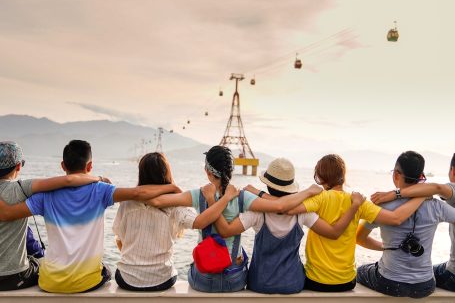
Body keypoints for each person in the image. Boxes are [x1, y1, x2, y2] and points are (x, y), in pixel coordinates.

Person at [0, 140, 180, 293]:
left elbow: (9, 214)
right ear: (90, 166)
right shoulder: (101, 190)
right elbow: (139, 193)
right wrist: (172, 188)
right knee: (107, 270)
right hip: (88, 282)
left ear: (63, 166)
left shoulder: (45, 195)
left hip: (50, 282)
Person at [147, 146, 324, 292]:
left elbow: (156, 201)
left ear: (208, 172)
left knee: (193, 266)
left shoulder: (198, 194)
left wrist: (173, 187)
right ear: (231, 171)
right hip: (234, 279)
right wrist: (307, 192)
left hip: (204, 279)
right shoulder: (243, 197)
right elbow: (280, 206)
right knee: (242, 258)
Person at [205, 157, 366, 294]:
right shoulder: (303, 212)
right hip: (293, 283)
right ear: (290, 187)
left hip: (260, 283)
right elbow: (333, 232)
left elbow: (225, 231)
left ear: (267, 185)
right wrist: (354, 207)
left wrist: (214, 201)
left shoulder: (257, 211)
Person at [285, 154, 427, 292]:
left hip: (316, 281)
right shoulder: (358, 202)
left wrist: (307, 192)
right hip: (346, 282)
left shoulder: (319, 198)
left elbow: (288, 208)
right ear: (343, 176)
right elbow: (395, 218)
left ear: (321, 177)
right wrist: (421, 196)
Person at [113, 152, 239, 291]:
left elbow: (120, 241)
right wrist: (225, 198)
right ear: (166, 174)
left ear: (141, 174)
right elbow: (200, 222)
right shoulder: (175, 206)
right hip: (162, 279)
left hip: (127, 279)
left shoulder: (126, 203)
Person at [0, 141, 104, 291]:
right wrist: (99, 179)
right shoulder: (21, 188)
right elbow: (68, 180)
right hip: (11, 278)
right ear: (18, 166)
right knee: (41, 264)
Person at [366, 152, 455, 294]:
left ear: (396, 175)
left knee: (361, 271)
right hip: (425, 285)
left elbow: (359, 237)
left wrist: (385, 247)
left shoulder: (380, 205)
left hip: (389, 283)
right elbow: (436, 189)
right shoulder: (437, 205)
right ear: (421, 178)